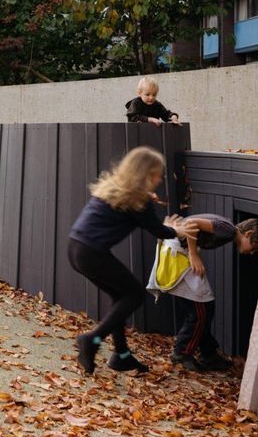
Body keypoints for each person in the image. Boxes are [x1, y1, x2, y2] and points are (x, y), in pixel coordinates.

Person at [70, 146, 198, 375]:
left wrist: (149, 201)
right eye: (158, 173)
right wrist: (179, 230)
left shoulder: (115, 189)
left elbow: (139, 211)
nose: (160, 178)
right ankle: (92, 339)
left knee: (120, 297)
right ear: (145, 174)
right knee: (135, 294)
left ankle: (122, 355)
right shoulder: (139, 201)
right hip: (93, 253)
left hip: (76, 248)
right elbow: (159, 230)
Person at [160, 215, 258, 371]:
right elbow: (192, 223)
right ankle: (182, 352)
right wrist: (193, 254)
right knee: (200, 311)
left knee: (204, 309)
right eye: (255, 247)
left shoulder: (228, 230)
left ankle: (209, 353)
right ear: (249, 234)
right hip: (179, 253)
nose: (252, 253)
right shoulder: (228, 230)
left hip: (177, 250)